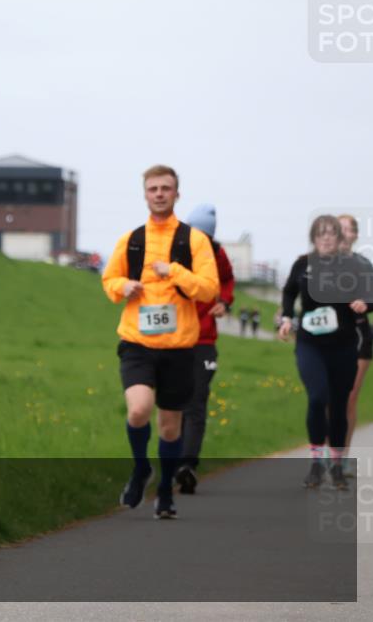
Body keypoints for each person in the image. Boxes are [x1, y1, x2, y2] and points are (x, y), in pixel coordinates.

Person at [101, 165, 219, 519]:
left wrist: (175, 272)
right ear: (145, 194)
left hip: (180, 347)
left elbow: (209, 289)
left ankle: (166, 489)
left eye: (165, 188)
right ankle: (141, 469)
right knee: (138, 410)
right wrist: (124, 287)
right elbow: (109, 280)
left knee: (170, 426)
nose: (159, 194)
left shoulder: (194, 241)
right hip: (137, 342)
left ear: (176, 194)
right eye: (153, 188)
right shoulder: (132, 239)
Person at [278, 215, 373, 490]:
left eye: (332, 233)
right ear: (314, 237)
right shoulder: (303, 264)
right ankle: (316, 461)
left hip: (344, 346)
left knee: (339, 405)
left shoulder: (354, 266)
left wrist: (365, 304)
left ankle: (336, 465)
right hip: (310, 344)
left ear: (340, 238)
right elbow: (288, 292)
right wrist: (286, 318)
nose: (327, 237)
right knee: (318, 396)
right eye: (321, 233)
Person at [174, 204, 235, 494]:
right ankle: (175, 463)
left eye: (203, 234)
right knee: (175, 405)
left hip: (204, 341)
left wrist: (225, 301)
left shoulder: (217, 253)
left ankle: (187, 466)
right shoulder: (176, 248)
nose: (197, 238)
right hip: (173, 340)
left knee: (196, 403)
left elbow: (227, 279)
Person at [337, 214, 373, 476]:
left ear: (354, 236)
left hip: (359, 336)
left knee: (349, 398)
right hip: (327, 339)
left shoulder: (363, 265)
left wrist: (366, 303)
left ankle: (342, 457)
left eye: (346, 230)